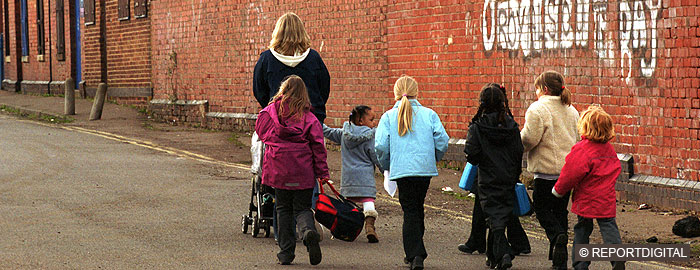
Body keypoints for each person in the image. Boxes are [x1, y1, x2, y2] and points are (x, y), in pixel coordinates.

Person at [375, 75, 449, 270]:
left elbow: (381, 146)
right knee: (417, 207)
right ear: (417, 92)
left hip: (402, 169)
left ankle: (415, 254)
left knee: (410, 211)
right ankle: (417, 250)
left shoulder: (388, 116)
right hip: (424, 169)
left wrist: (385, 165)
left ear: (396, 93)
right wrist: (435, 157)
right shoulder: (429, 114)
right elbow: (442, 139)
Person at [255, 75, 329, 266]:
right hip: (302, 170)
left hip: (279, 169)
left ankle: (286, 253)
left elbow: (261, 133)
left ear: (283, 91)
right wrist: (322, 173)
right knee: (302, 208)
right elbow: (318, 147)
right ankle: (307, 232)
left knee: (283, 209)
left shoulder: (270, 113)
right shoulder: (309, 118)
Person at [553, 106, 625, 270]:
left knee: (582, 229)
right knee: (609, 227)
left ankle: (581, 264)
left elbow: (570, 174)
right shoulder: (609, 150)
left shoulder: (582, 149)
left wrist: (558, 190)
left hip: (586, 197)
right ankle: (618, 258)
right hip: (606, 197)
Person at [521, 70, 580, 270]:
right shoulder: (571, 110)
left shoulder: (537, 109)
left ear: (544, 89)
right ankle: (559, 259)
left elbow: (529, 139)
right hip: (566, 172)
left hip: (545, 172)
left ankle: (557, 236)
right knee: (560, 211)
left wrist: (516, 142)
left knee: (541, 207)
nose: (536, 92)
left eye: (537, 88)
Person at [464, 83, 524, 270]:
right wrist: (515, 174)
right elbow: (518, 151)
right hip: (507, 176)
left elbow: (471, 154)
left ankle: (504, 253)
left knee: (493, 218)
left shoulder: (478, 127)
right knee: (501, 215)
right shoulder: (511, 126)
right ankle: (493, 258)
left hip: (487, 177)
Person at [253, 12, 331, 124]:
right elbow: (324, 88)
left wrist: (273, 107)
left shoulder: (267, 59)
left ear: (278, 33)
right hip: (311, 120)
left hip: (278, 120)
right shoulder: (313, 58)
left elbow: (259, 91)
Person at [322, 105, 382, 243]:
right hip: (365, 178)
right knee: (368, 202)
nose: (374, 123)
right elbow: (375, 155)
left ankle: (343, 229)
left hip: (348, 178)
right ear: (361, 121)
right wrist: (384, 169)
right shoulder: (370, 136)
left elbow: (328, 132)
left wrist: (316, 121)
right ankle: (370, 227)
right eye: (372, 119)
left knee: (347, 205)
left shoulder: (344, 134)